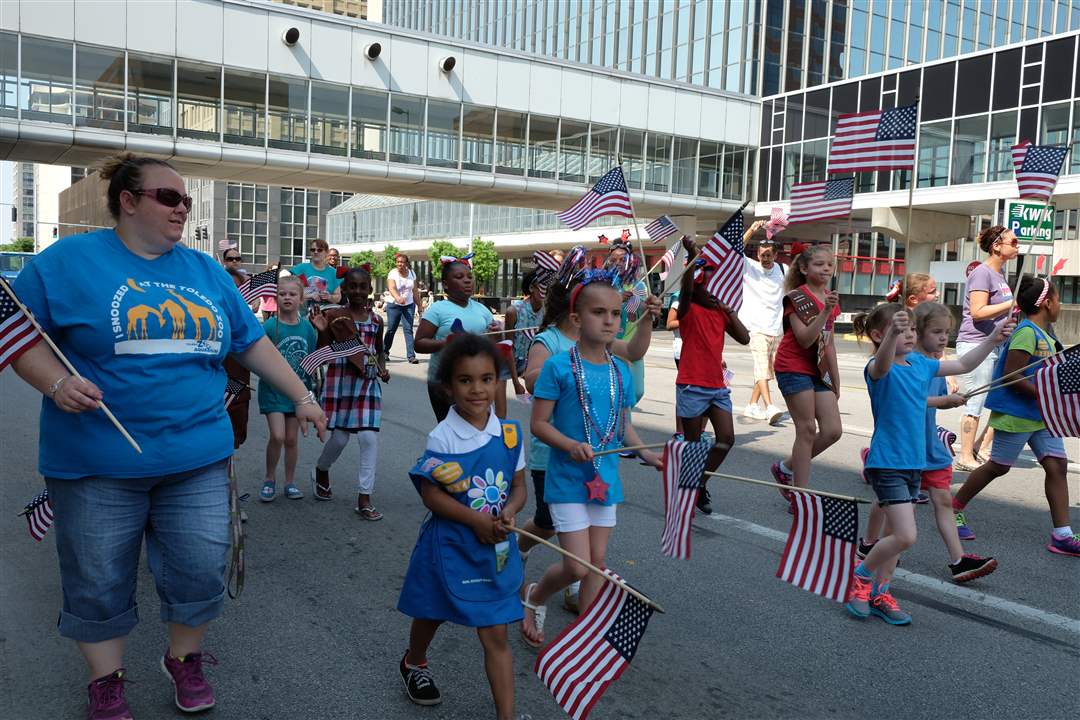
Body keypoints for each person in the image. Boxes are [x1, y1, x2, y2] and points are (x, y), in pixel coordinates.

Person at [10, 153, 327, 720]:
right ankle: (106, 680)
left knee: (201, 566)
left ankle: (185, 659)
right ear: (128, 201)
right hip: (95, 463)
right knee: (98, 575)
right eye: (168, 198)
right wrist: (56, 382)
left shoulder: (206, 272)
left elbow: (249, 342)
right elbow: (18, 333)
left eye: (185, 200)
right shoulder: (65, 262)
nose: (182, 207)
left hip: (198, 457)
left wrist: (302, 396)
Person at [520, 271, 662, 647]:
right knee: (576, 564)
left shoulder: (620, 370)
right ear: (577, 318)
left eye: (615, 313)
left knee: (596, 562)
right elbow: (539, 424)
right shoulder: (558, 366)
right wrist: (568, 444)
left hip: (605, 480)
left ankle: (585, 636)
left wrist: (645, 452)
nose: (610, 320)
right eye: (599, 312)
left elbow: (622, 425)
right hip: (567, 478)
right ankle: (535, 595)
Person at [846, 303, 1011, 624]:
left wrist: (992, 339)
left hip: (913, 464)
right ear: (880, 335)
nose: (908, 335)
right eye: (899, 330)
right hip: (887, 462)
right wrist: (892, 334)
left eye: (910, 330)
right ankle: (862, 577)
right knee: (907, 535)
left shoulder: (921, 364)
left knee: (895, 538)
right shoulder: (878, 368)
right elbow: (881, 365)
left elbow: (963, 363)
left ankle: (881, 592)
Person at [396, 334, 527, 718]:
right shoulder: (443, 436)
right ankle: (414, 661)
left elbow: (517, 489)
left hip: (492, 549)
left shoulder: (509, 434)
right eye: (466, 380)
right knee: (432, 610)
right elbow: (431, 495)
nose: (478, 389)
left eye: (487, 379)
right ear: (448, 386)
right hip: (450, 545)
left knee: (496, 633)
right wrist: (474, 519)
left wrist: (511, 512)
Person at [951, 277, 1077, 555]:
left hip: (1042, 415)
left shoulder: (1046, 334)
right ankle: (954, 508)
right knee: (998, 467)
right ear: (1046, 303)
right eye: (1057, 299)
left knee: (1057, 467)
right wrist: (1046, 396)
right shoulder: (1026, 332)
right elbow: (1012, 375)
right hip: (1018, 414)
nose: (1059, 304)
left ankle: (1062, 534)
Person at [308, 266, 389, 518]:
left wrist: (383, 368)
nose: (357, 291)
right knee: (340, 439)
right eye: (352, 286)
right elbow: (321, 351)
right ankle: (322, 469)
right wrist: (322, 330)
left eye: (362, 286)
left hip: (366, 383)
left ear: (370, 290)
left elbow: (378, 351)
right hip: (340, 381)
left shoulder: (376, 320)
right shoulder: (335, 316)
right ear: (343, 289)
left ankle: (364, 497)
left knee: (368, 438)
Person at [676, 248, 751, 515]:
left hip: (717, 387)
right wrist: (692, 257)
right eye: (705, 285)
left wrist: (729, 311)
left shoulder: (720, 311)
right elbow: (684, 292)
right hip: (692, 384)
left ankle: (698, 484)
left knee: (726, 439)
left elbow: (744, 338)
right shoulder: (689, 308)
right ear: (696, 288)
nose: (712, 291)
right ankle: (687, 492)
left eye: (715, 286)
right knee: (694, 446)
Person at [770, 245, 842, 504]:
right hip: (793, 366)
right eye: (819, 264)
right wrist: (824, 312)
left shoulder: (831, 298)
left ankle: (786, 467)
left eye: (830, 264)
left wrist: (835, 379)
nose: (825, 268)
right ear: (803, 268)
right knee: (807, 429)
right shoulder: (796, 297)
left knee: (833, 430)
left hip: (818, 369)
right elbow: (803, 339)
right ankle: (799, 496)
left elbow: (829, 343)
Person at [954, 226, 1018, 470]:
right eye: (1013, 242)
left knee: (999, 398)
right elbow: (978, 312)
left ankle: (980, 448)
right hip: (977, 343)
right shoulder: (982, 273)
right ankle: (965, 456)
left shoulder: (999, 275)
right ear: (997, 246)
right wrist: (1013, 303)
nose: (1017, 246)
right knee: (976, 400)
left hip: (996, 345)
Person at [414, 257, 504, 422]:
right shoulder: (438, 309)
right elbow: (419, 343)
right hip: (444, 383)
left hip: (476, 381)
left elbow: (493, 343)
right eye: (459, 277)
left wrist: (497, 335)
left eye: (469, 277)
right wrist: (446, 343)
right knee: (452, 432)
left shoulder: (482, 310)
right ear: (446, 284)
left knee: (476, 429)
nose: (467, 281)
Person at [258, 275, 318, 502]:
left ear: (301, 298)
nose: (287, 298)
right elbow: (260, 359)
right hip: (273, 391)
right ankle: (269, 478)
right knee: (278, 435)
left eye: (292, 294)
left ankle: (290, 482)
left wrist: (310, 395)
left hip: (298, 394)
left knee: (292, 439)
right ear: (276, 298)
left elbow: (310, 359)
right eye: (282, 294)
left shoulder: (307, 328)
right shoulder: (269, 326)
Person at [739, 220, 787, 425]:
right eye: (762, 254)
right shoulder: (750, 267)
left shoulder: (784, 270)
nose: (765, 258)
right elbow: (734, 250)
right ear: (757, 254)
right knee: (761, 368)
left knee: (767, 371)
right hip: (756, 327)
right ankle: (769, 406)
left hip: (777, 328)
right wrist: (751, 230)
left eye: (769, 255)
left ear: (775, 255)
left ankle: (751, 405)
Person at [504, 269, 545, 396]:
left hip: (532, 363)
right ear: (532, 288)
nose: (545, 292)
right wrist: (516, 382)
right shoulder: (513, 311)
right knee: (500, 410)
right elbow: (508, 347)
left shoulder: (546, 312)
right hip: (508, 363)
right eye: (542, 287)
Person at [384, 253, 419, 364]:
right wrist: (398, 298)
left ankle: (411, 356)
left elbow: (415, 291)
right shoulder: (392, 273)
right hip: (394, 305)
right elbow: (392, 288)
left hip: (408, 305)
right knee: (391, 329)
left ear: (406, 263)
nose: (400, 264)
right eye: (398, 262)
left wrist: (420, 307)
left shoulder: (412, 273)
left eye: (402, 262)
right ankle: (384, 352)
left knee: (408, 329)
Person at [291, 237, 342, 306]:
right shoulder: (300, 268)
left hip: (325, 313)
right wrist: (309, 296)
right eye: (313, 250)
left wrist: (329, 297)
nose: (316, 252)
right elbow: (290, 292)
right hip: (302, 313)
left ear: (326, 253)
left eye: (319, 250)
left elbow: (338, 297)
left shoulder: (333, 273)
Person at [666, 291, 684, 440]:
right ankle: (680, 432)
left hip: (703, 350)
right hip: (683, 349)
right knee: (685, 391)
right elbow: (669, 323)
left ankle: (701, 430)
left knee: (705, 392)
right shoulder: (680, 300)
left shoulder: (708, 300)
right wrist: (688, 320)